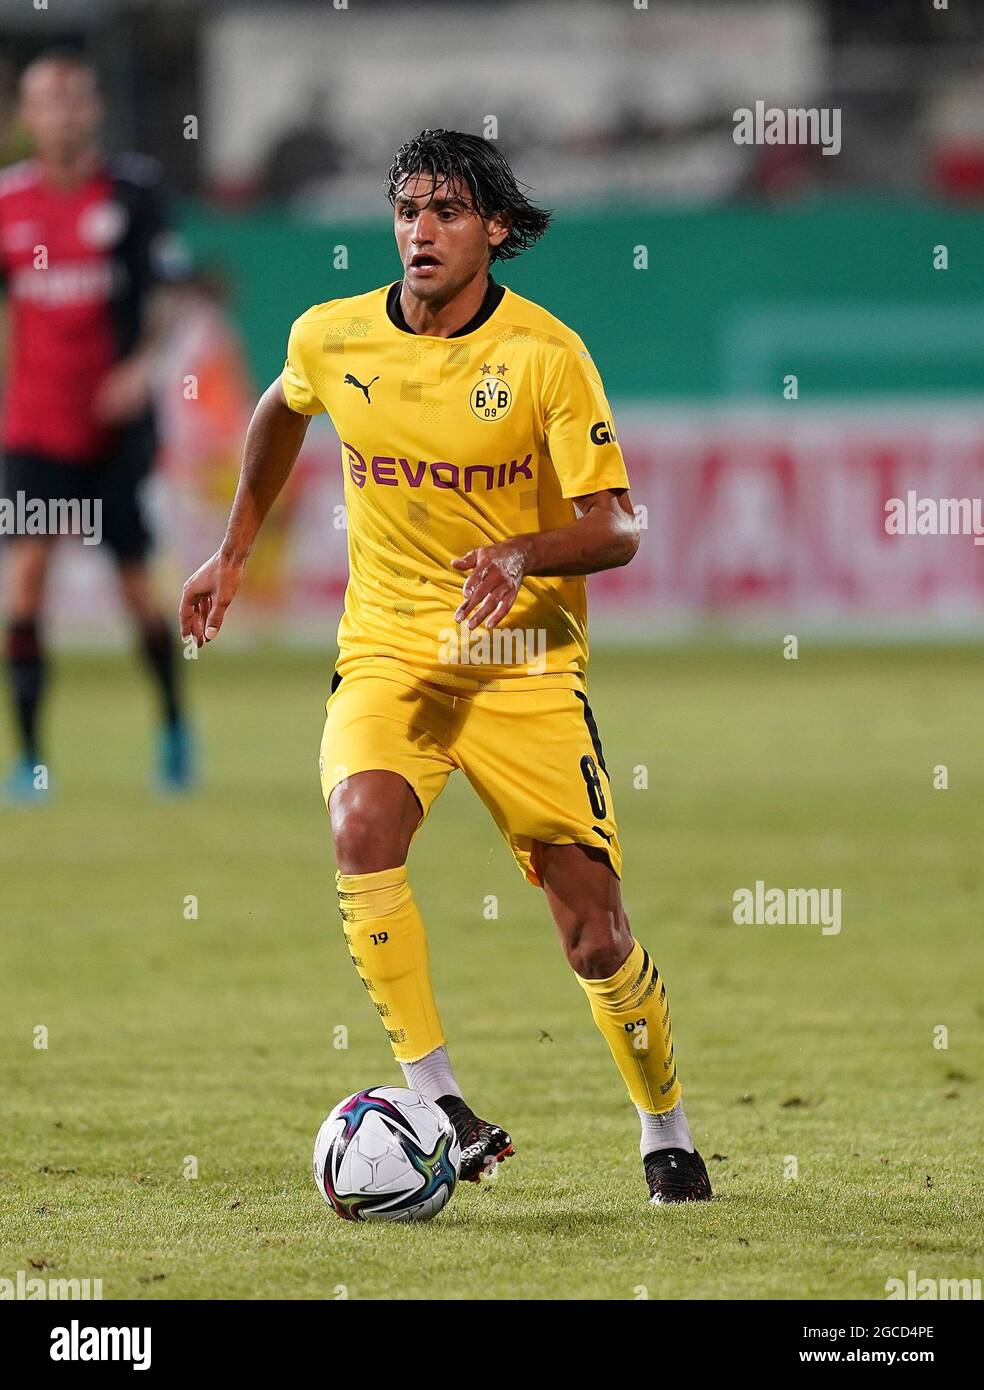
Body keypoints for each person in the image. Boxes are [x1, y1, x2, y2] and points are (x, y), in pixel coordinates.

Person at [180, 129, 711, 1204]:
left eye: (448, 212)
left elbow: (618, 528)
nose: (421, 230)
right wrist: (235, 548)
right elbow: (282, 408)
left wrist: (522, 550)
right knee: (361, 825)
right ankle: (444, 1104)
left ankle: (667, 1128)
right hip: (387, 646)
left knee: (595, 934)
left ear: (496, 231)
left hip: (521, 663)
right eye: (407, 209)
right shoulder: (332, 336)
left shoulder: (544, 355)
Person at [0, 50, 194, 802]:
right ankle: (31, 760)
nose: (63, 111)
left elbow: (169, 295)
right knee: (25, 580)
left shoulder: (135, 193)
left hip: (114, 427)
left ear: (95, 111)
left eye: (75, 97)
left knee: (136, 587)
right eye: (47, 100)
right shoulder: (9, 203)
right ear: (26, 117)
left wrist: (141, 366)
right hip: (33, 428)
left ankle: (175, 728)